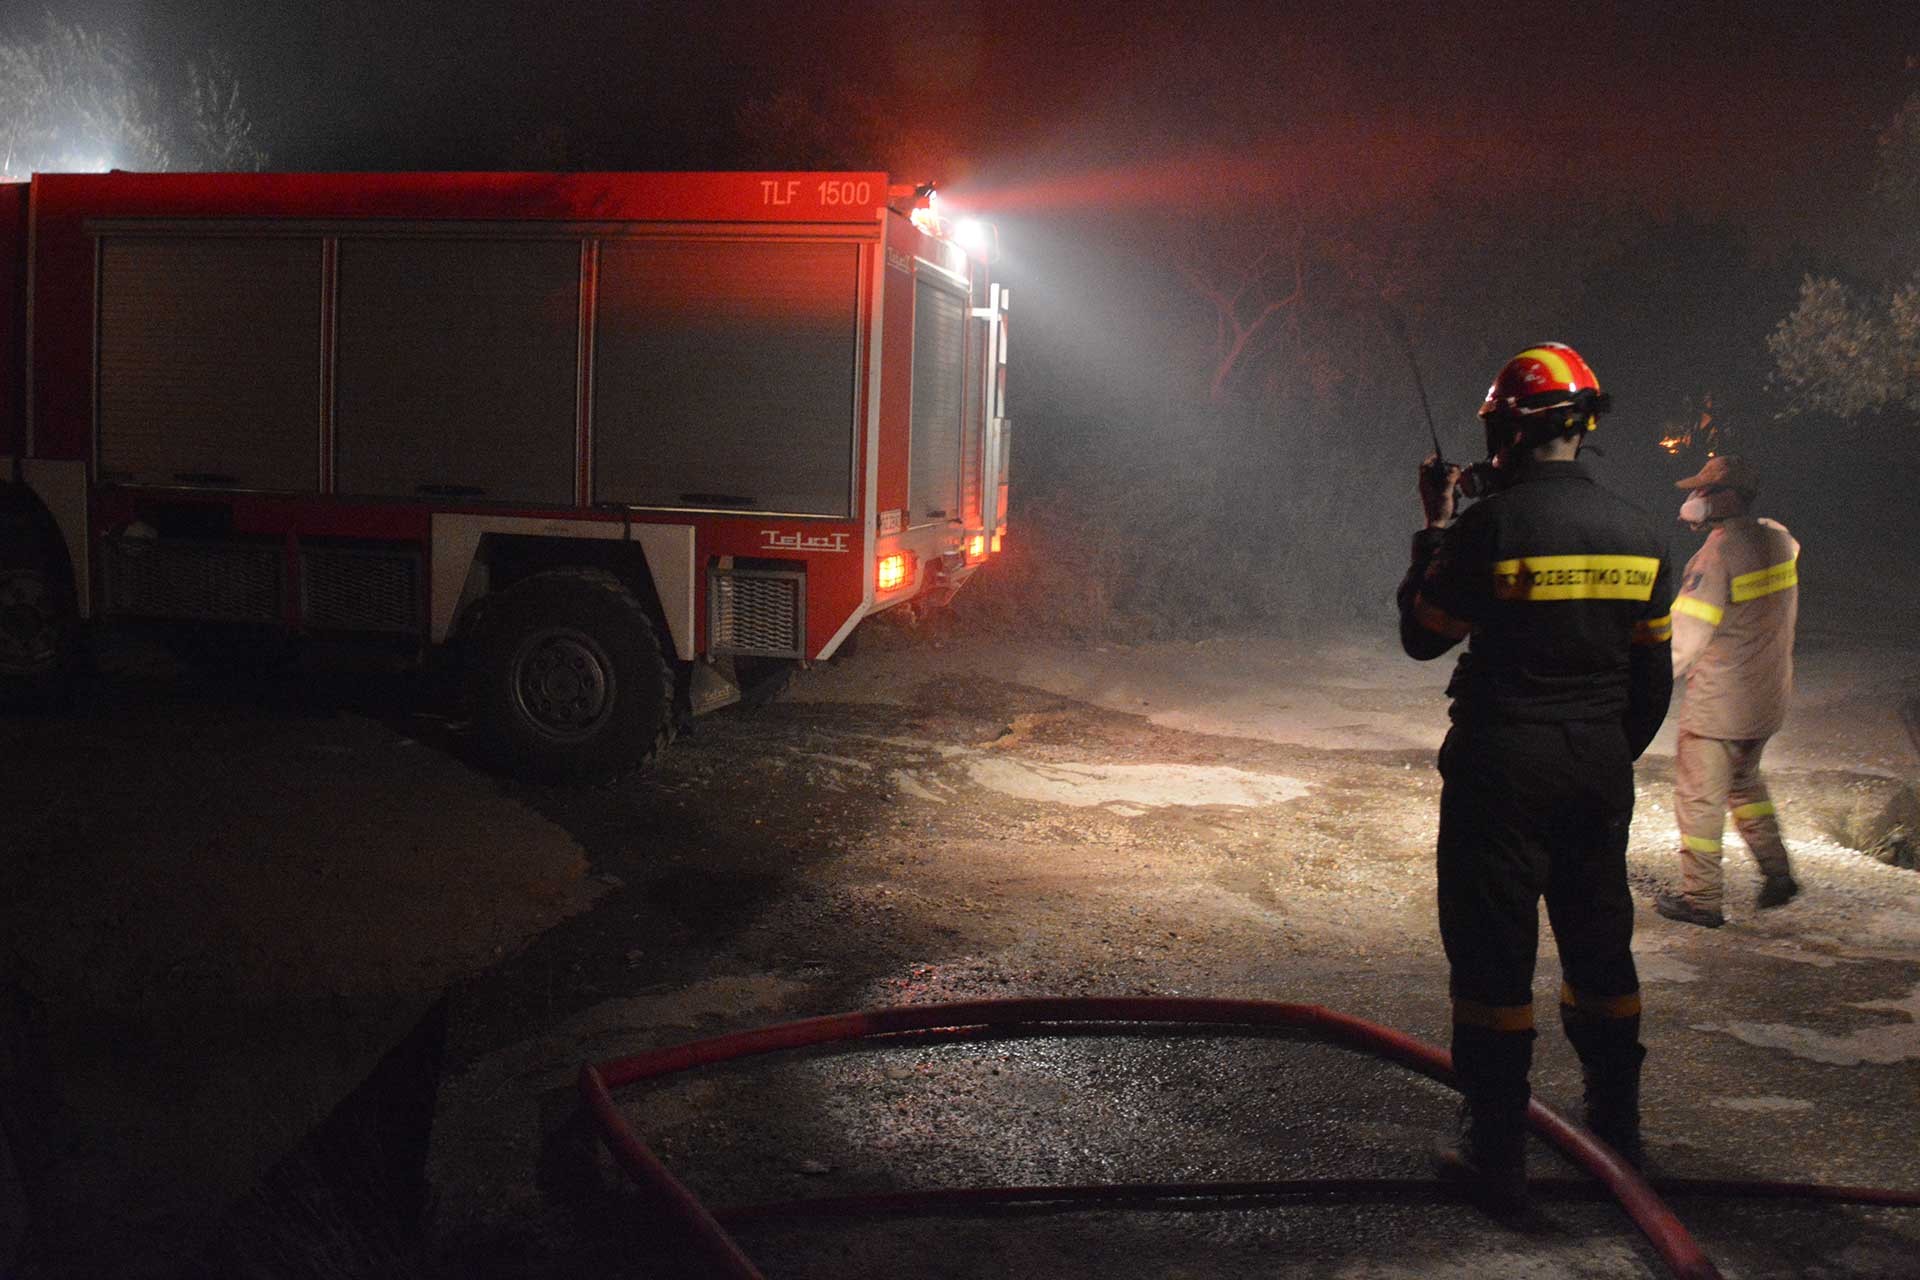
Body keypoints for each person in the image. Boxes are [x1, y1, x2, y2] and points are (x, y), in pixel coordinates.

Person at [1397, 343, 1674, 1210]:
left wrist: (1435, 527)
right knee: (1600, 946)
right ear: (1583, 430)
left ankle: (1498, 1155)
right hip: (1596, 765)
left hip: (1500, 769)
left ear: (1506, 433)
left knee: (1492, 956)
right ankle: (1617, 1132)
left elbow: (1424, 634)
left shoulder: (1489, 528)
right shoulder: (1641, 535)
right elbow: (1653, 684)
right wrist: (1597, 748)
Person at [1655, 454, 1800, 928]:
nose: (1693, 499)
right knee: (1745, 784)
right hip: (1766, 699)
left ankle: (1702, 899)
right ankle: (1778, 874)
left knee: (1698, 799)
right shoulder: (1778, 540)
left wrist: (1643, 682)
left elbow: (1685, 639)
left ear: (1727, 498)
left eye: (1703, 491)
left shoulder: (1714, 557)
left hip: (1720, 705)